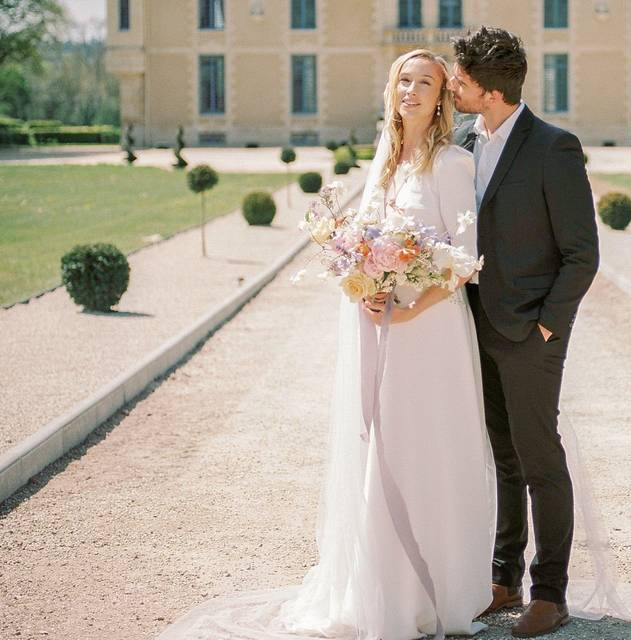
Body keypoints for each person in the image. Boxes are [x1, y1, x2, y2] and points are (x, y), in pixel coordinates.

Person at [156, 48, 495, 640]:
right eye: (403, 81)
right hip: (375, 326)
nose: (411, 91)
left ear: (442, 97)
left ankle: (435, 590)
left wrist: (413, 306)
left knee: (425, 450)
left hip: (429, 334)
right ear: (391, 91)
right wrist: (361, 286)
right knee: (376, 451)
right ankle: (378, 587)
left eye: (425, 83)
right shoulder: (384, 160)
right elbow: (358, 244)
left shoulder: (452, 163)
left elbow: (462, 261)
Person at [448, 26, 600, 638]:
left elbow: (581, 254)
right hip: (472, 326)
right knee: (502, 458)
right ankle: (503, 577)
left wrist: (546, 327)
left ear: (488, 91)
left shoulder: (553, 148)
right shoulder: (460, 142)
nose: (452, 88)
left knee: (540, 460)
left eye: (460, 81)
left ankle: (551, 592)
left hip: (530, 334)